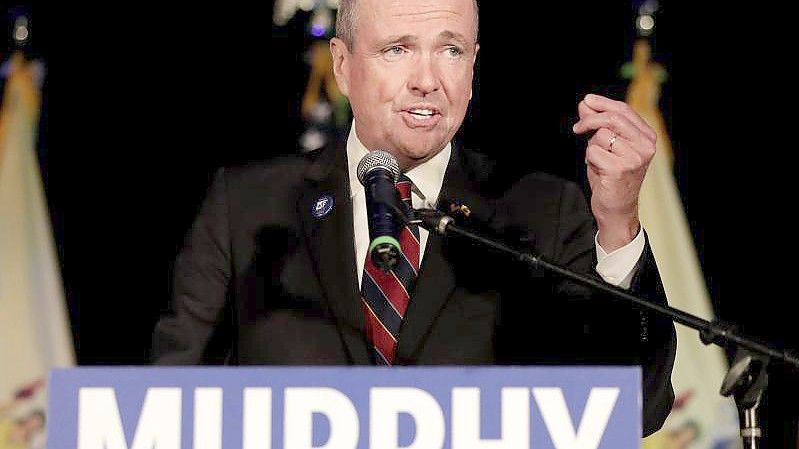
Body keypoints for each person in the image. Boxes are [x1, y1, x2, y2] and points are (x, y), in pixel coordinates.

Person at [152, 0, 676, 435]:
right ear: (342, 65)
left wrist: (617, 219)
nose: (427, 80)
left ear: (473, 64)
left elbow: (634, 409)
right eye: (397, 50)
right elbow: (167, 412)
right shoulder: (246, 209)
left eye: (450, 50)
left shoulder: (540, 212)